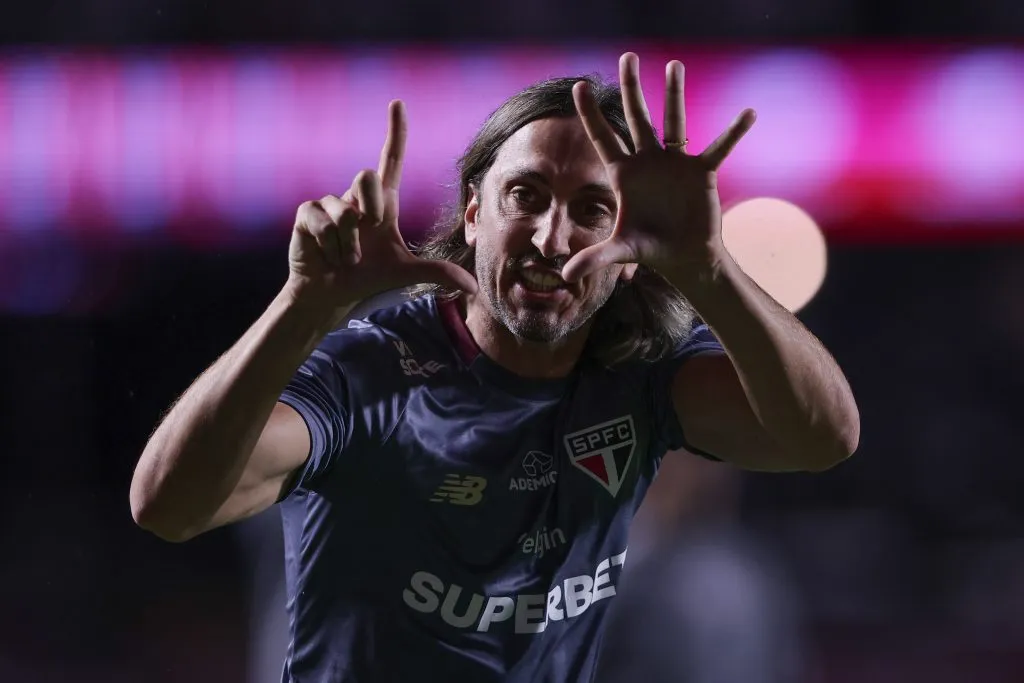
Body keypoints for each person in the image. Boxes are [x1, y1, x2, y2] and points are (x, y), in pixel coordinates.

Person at [129, 53, 860, 682]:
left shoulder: (638, 371)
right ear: (474, 213)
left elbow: (821, 437)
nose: (550, 238)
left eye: (592, 209)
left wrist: (708, 268)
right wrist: (299, 306)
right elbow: (167, 507)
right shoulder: (373, 370)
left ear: (632, 247)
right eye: (525, 196)